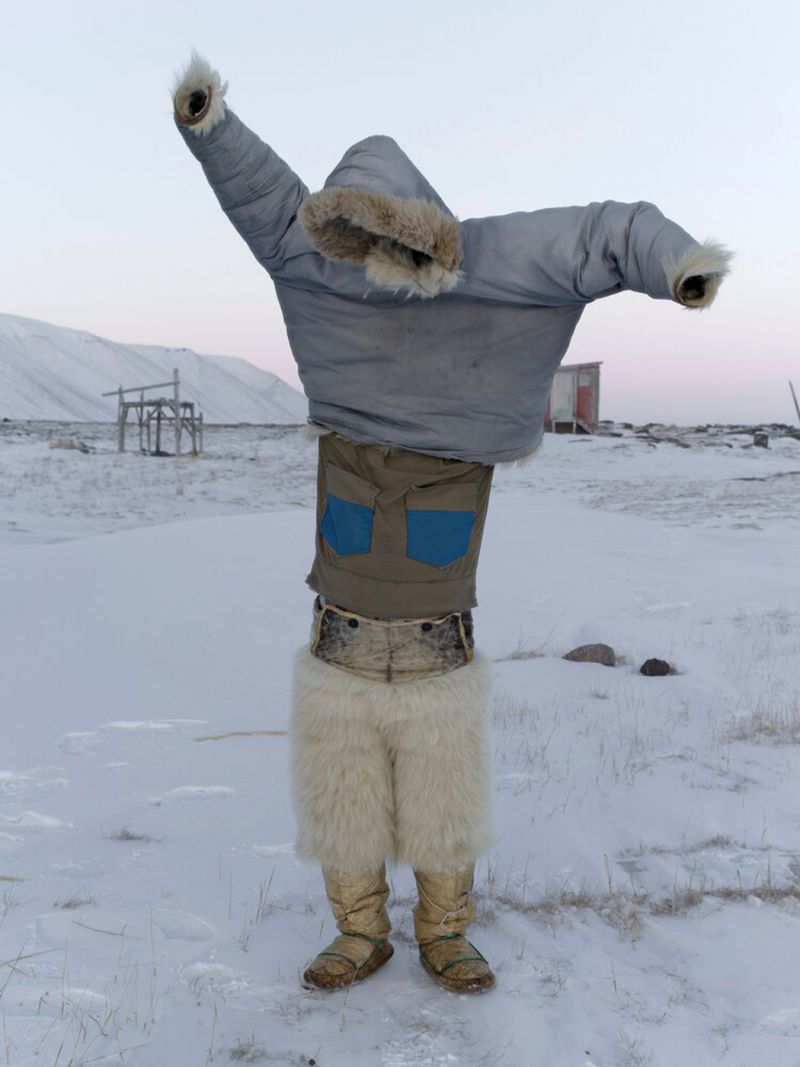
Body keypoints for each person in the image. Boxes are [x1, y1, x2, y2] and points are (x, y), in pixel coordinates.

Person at [172, 52, 731, 994]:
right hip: (340, 633)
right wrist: (209, 125)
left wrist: (673, 262)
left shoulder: (487, 269)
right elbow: (267, 202)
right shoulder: (320, 266)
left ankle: (445, 933)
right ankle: (360, 934)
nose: (369, 266)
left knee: (440, 799)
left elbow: (604, 235)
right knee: (344, 800)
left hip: (438, 636)